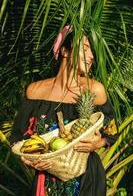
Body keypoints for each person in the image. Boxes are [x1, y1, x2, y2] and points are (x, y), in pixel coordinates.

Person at [9, 25, 118, 196]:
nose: (91, 57)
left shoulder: (94, 90)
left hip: (86, 179)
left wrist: (100, 143)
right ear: (65, 51)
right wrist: (28, 160)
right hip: (46, 180)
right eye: (85, 49)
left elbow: (112, 130)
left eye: (92, 53)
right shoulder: (35, 91)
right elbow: (17, 138)